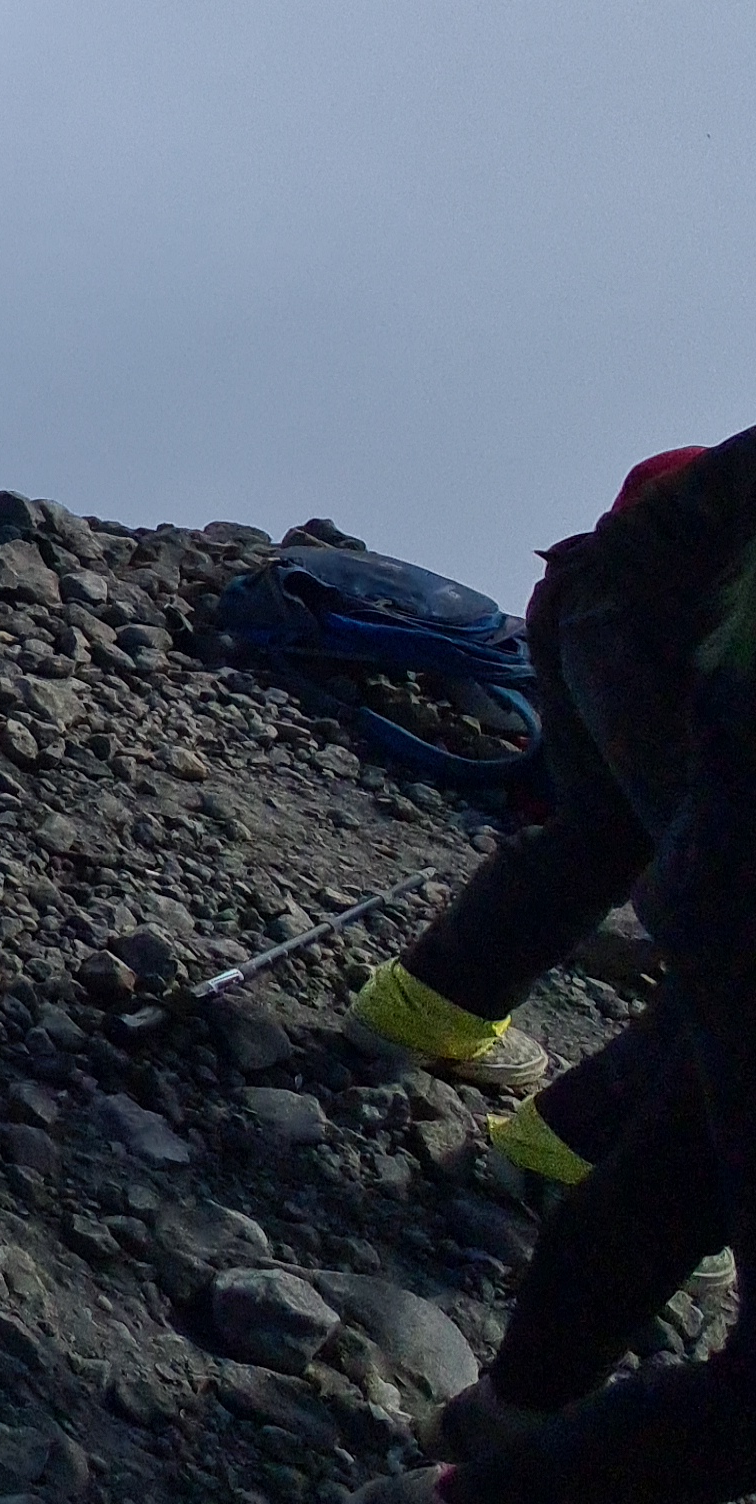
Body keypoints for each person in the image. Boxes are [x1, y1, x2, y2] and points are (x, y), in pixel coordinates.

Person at [371, 428, 756, 1503]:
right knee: (704, 1005)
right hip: (674, 660)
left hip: (609, 605)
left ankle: (508, 1419)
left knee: (625, 868)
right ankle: (562, 1142)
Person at [351, 448, 738, 1106]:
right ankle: (589, 1148)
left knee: (602, 836)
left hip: (589, 594)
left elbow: (658, 487)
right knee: (733, 912)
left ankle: (424, 1011)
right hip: (667, 633)